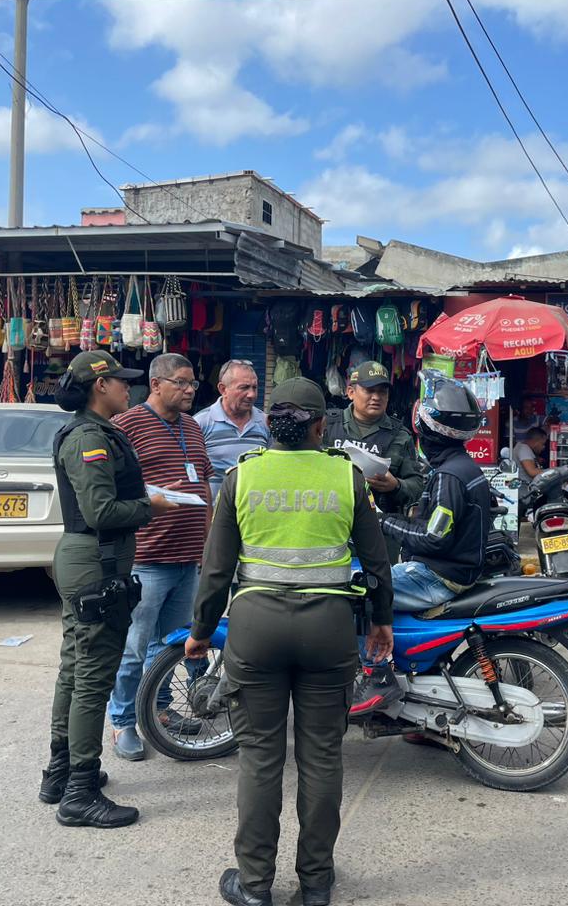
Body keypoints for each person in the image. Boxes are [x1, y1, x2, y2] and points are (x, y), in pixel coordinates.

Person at [186, 377, 393, 906]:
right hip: (327, 630)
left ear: (271, 424)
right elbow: (376, 564)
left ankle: (254, 886)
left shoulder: (241, 477)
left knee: (259, 758)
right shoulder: (347, 478)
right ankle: (316, 883)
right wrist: (381, 621)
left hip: (257, 630)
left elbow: (215, 571)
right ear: (322, 426)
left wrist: (200, 633)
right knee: (323, 757)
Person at [39, 350, 179, 828]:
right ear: (100, 386)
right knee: (91, 677)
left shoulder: (94, 433)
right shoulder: (88, 438)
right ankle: (79, 789)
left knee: (74, 670)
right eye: (121, 381)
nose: (128, 387)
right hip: (95, 562)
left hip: (88, 560)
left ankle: (60, 772)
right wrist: (150, 507)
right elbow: (100, 512)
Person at [351, 381, 488, 714]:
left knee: (355, 589)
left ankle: (376, 674)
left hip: (437, 575)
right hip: (451, 570)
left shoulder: (450, 477)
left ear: (428, 432)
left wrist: (383, 521)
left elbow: (434, 538)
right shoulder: (462, 470)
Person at [106, 352, 213, 761]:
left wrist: (207, 547)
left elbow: (203, 483)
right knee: (134, 646)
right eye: (181, 383)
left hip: (188, 558)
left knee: (169, 647)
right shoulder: (126, 425)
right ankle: (121, 722)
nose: (189, 390)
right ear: (156, 384)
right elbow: (111, 488)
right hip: (148, 558)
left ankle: (158, 710)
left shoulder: (192, 426)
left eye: (192, 384)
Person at [324, 360, 425, 557]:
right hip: (330, 526)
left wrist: (395, 485)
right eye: (369, 391)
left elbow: (417, 487)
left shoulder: (400, 435)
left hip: (380, 534)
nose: (376, 397)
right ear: (351, 392)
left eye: (382, 392)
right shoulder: (327, 426)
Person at [195, 359, 270, 503]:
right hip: (215, 518)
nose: (252, 395)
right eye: (244, 388)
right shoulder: (200, 423)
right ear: (223, 389)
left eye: (254, 387)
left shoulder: (265, 423)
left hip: (253, 515)